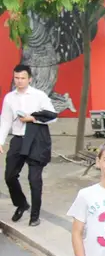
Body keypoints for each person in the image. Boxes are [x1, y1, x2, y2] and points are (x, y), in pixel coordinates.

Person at [0, 63, 55, 227]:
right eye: (16, 78)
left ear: (29, 79)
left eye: (23, 78)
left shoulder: (39, 96)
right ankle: (21, 204)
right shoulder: (9, 97)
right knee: (9, 175)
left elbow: (53, 116)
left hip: (37, 139)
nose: (19, 81)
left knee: (34, 179)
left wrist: (33, 118)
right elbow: (5, 120)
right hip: (18, 138)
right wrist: (1, 141)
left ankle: (35, 215)